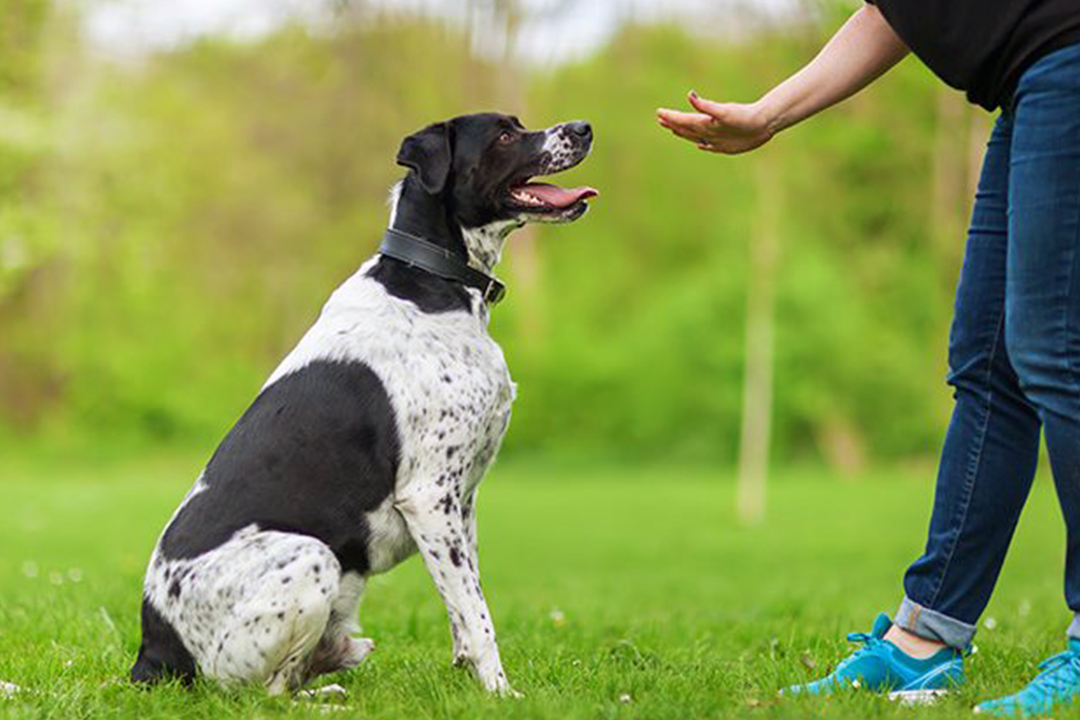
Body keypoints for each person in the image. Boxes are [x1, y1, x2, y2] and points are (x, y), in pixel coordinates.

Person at [657, 1, 1080, 715]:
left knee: (1052, 350)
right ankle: (927, 638)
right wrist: (768, 113)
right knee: (988, 369)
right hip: (1030, 83)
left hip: (1067, 61)